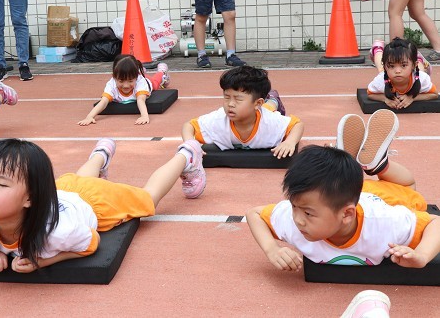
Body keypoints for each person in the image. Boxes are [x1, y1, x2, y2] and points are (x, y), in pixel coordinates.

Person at [0, 136, 207, 273]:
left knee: (148, 198)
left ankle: (186, 155)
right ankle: (101, 154)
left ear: (29, 198)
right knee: (80, 179)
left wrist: (43, 261)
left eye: (1, 184)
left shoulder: (58, 232)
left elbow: (92, 242)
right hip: (61, 190)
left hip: (94, 201)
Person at [246, 110, 440, 271]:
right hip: (345, 195)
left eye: (307, 213)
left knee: (409, 187)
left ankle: (378, 165)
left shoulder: (386, 224)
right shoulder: (293, 220)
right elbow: (254, 214)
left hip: (385, 198)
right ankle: (347, 163)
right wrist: (272, 249)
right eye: (294, 207)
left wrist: (422, 255)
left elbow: (435, 222)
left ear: (347, 214)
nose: (298, 219)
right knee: (337, 189)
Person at [182, 66, 303, 159]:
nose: (230, 104)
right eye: (226, 97)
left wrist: (290, 142)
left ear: (258, 103)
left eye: (238, 99)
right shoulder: (218, 120)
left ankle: (273, 98)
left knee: (269, 106)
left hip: (264, 109)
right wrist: (191, 143)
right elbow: (189, 125)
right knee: (264, 107)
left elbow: (297, 124)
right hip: (257, 108)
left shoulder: (270, 122)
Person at [78, 54, 170, 126]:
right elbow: (103, 102)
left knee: (155, 83)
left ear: (136, 77)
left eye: (130, 81)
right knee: (131, 76)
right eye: (121, 81)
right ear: (114, 77)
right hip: (135, 74)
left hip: (148, 81)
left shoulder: (140, 82)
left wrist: (144, 116)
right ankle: (140, 70)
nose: (126, 86)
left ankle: (162, 73)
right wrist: (89, 117)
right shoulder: (111, 84)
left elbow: (141, 100)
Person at [367, 37, 437, 110]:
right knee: (381, 69)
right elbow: (370, 94)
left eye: (403, 65)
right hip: (390, 69)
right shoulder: (381, 80)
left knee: (420, 70)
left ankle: (419, 59)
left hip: (416, 70)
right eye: (392, 66)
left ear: (414, 65)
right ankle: (377, 50)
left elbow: (434, 94)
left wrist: (412, 97)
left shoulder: (422, 78)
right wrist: (385, 99)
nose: (397, 71)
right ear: (386, 66)